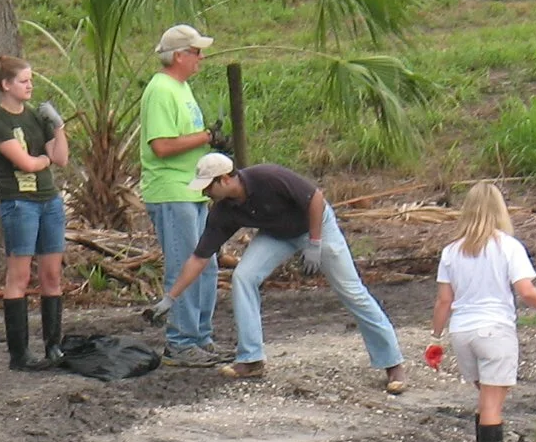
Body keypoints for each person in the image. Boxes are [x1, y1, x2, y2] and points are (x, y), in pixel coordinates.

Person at [159, 155, 408, 392]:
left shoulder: (267, 177)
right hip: (277, 234)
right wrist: (171, 297)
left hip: (315, 225)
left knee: (351, 291)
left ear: (225, 179)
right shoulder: (224, 210)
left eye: (208, 187)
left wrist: (315, 241)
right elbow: (199, 257)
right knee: (243, 277)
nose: (205, 193)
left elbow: (315, 198)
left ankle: (392, 363)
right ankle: (251, 359)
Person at [426, 181, 536, 442]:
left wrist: (435, 337)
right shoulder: (508, 246)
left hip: (462, 333)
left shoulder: (451, 251)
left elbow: (443, 301)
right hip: (494, 331)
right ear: (499, 210)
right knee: (492, 402)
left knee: (488, 398)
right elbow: (525, 290)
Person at [137, 24, 229, 364]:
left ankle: (200, 336)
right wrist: (206, 138)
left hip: (191, 188)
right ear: (179, 56)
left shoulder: (181, 87)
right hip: (171, 189)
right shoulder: (161, 90)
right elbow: (161, 146)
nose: (201, 58)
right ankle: (180, 341)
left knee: (206, 263)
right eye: (196, 52)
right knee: (184, 264)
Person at [0, 56, 71, 370]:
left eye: (31, 80)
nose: (30, 85)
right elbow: (28, 163)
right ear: (6, 85)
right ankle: (18, 353)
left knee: (52, 274)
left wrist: (58, 127)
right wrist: (43, 158)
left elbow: (60, 157)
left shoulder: (34, 117)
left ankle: (53, 345)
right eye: (23, 80)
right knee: (18, 275)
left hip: (49, 200)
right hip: (20, 202)